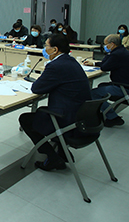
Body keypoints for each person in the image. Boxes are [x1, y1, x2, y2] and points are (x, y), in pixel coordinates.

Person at [19, 34, 91, 171]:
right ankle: (62, 151)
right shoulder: (71, 61)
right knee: (41, 112)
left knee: (25, 119)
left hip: (68, 120)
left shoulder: (56, 65)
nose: (44, 49)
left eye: (46, 46)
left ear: (55, 49)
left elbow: (37, 88)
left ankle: (53, 158)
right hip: (83, 117)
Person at [84, 34, 129, 127]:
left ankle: (112, 117)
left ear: (112, 44)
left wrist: (108, 54)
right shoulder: (121, 51)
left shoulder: (116, 54)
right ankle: (104, 112)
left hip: (127, 89)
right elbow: (106, 63)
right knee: (101, 86)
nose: (104, 46)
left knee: (92, 93)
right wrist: (94, 63)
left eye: (106, 44)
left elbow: (105, 67)